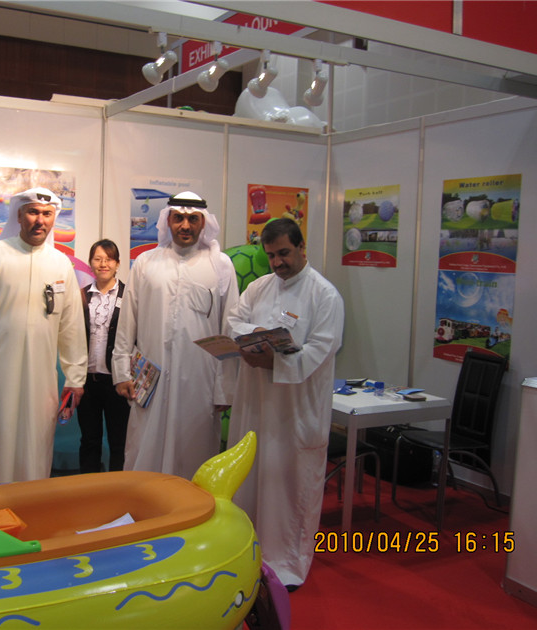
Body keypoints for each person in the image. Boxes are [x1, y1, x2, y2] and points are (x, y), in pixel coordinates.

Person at [226, 217, 344, 590]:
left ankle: (287, 564)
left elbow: (320, 351)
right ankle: (248, 552)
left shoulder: (325, 296)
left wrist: (274, 362)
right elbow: (234, 322)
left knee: (289, 488)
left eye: (284, 253)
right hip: (255, 405)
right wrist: (255, 335)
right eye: (271, 255)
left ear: (302, 247)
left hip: (296, 412)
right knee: (251, 481)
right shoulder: (258, 288)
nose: (277, 262)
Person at [0, 187, 87, 483]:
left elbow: (72, 327)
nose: (40, 220)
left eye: (47, 214)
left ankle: (29, 504)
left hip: (39, 379)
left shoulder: (60, 264)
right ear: (19, 215)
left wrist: (76, 378)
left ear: (54, 219)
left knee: (34, 445)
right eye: (33, 212)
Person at [112, 191, 239, 480]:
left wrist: (225, 387)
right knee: (144, 449)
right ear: (167, 220)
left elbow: (229, 327)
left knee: (193, 452)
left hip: (200, 382)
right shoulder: (146, 262)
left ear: (203, 223)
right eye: (178, 218)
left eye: (193, 219)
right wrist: (121, 372)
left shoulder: (220, 266)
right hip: (150, 379)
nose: (185, 225)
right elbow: (128, 320)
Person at [76, 239, 131, 473]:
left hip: (117, 381)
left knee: (120, 442)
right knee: (89, 440)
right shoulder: (81, 296)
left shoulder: (129, 295)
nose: (103, 264)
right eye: (98, 259)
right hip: (87, 381)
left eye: (108, 259)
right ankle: (89, 487)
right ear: (91, 263)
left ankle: (118, 488)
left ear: (117, 264)